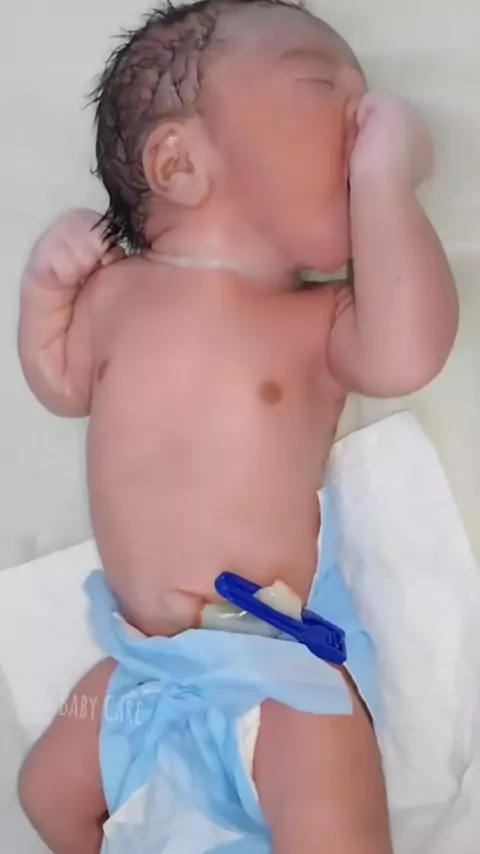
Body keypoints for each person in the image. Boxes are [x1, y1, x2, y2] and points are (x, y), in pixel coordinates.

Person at [17, 1, 458, 852]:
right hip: (142, 669)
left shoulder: (316, 321)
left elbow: (409, 353)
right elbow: (62, 383)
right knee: (44, 794)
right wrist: (45, 288)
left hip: (275, 666)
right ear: (177, 162)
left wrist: (386, 183)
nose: (362, 115)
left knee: (330, 815)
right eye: (322, 87)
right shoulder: (112, 295)